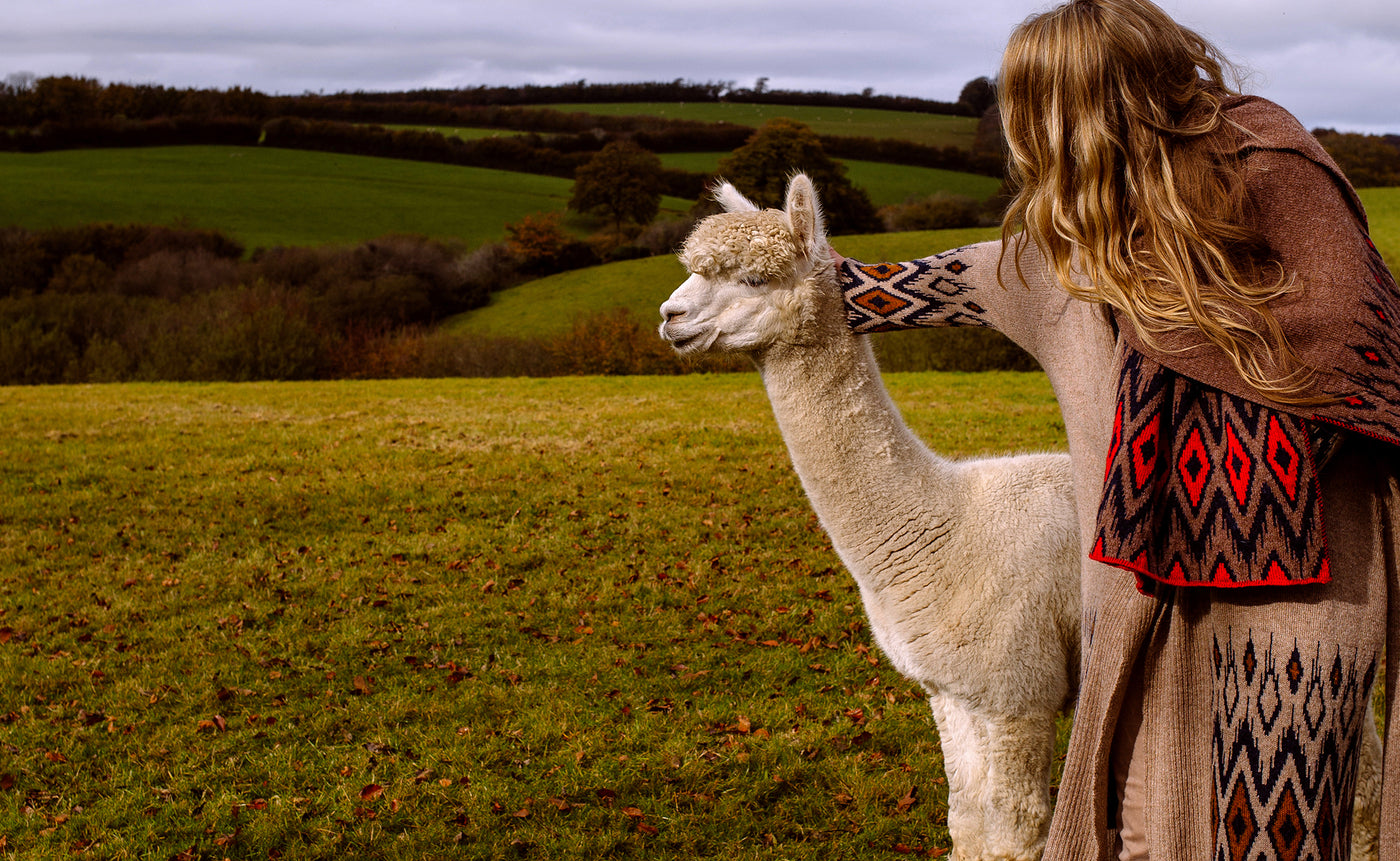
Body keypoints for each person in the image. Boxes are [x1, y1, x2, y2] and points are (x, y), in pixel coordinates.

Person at [833, 0, 1400, 858]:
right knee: (1141, 828)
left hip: (1302, 604)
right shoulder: (1059, 258)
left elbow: (1366, 361)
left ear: (1071, 114)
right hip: (1137, 609)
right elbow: (886, 289)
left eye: (1026, 110)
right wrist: (781, 269)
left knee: (1274, 839)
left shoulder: (1279, 181)